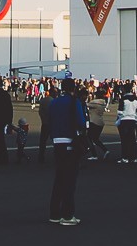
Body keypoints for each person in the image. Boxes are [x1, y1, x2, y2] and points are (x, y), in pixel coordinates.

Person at [47, 79, 88, 226]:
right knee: (70, 180)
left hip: (57, 142)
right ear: (74, 88)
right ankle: (67, 214)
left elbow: (49, 120)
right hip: (70, 141)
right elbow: (81, 122)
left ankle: (54, 213)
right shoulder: (74, 101)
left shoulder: (55, 102)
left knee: (59, 178)